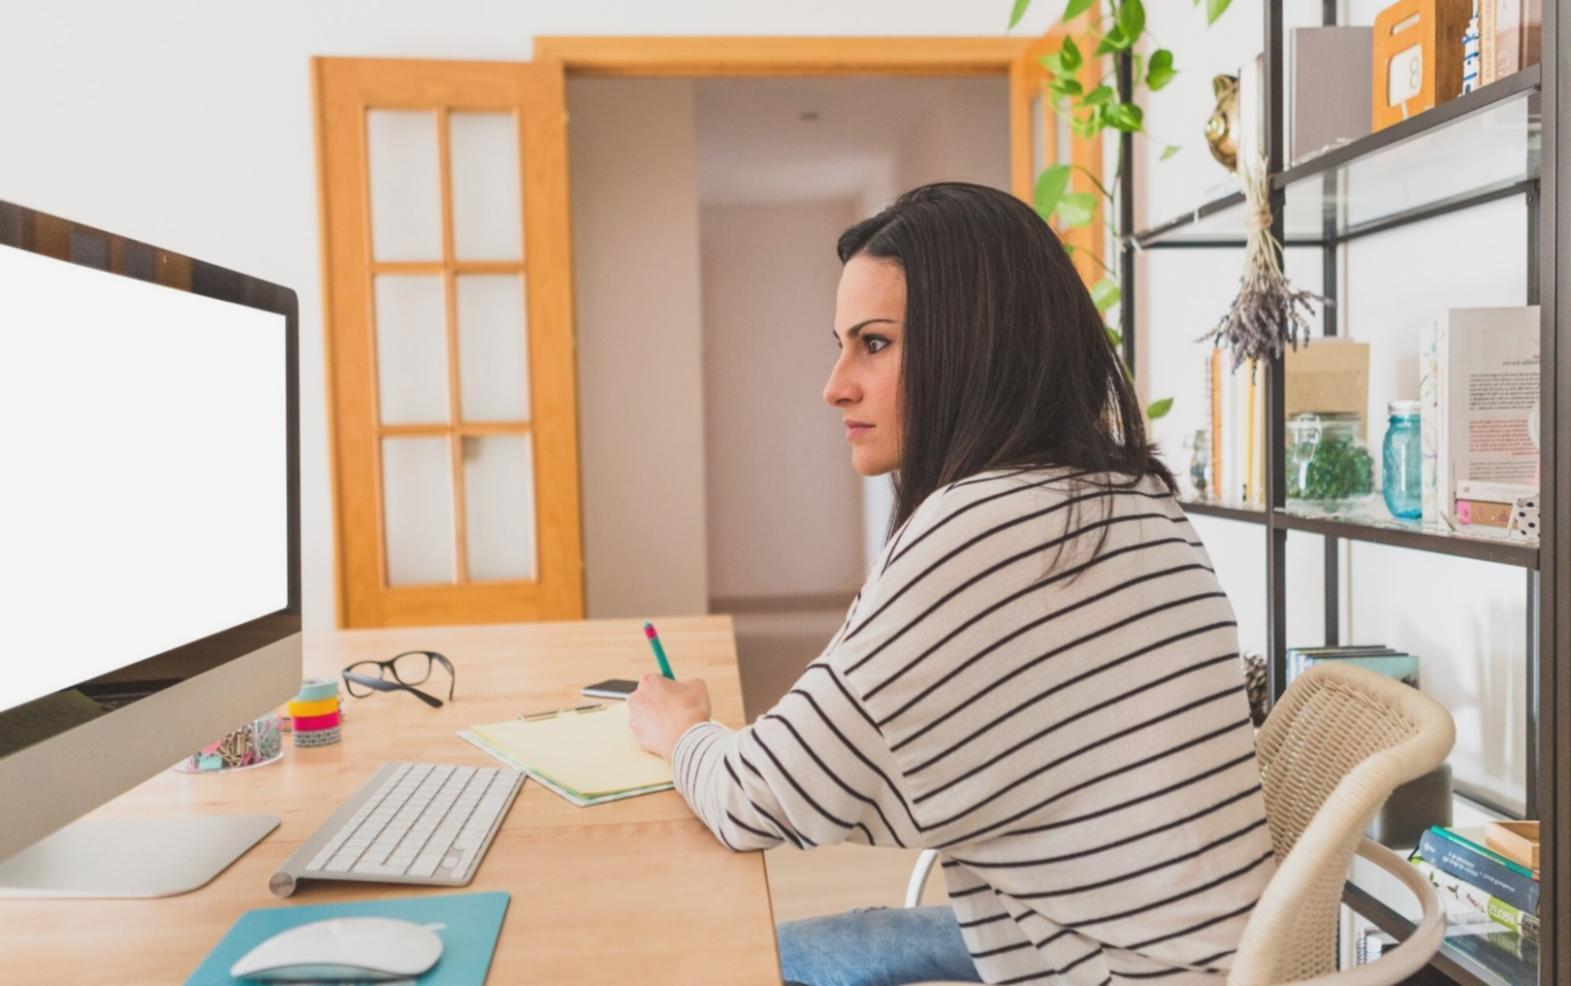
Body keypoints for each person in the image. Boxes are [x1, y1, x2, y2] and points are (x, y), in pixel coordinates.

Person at [626, 182, 1272, 986]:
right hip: (1188, 946)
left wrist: (681, 728)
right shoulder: (1128, 493)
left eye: (874, 344)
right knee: (808, 942)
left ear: (976, 344)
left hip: (1112, 967)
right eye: (841, 343)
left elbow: (756, 797)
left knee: (701, 960)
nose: (834, 385)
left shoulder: (980, 525)